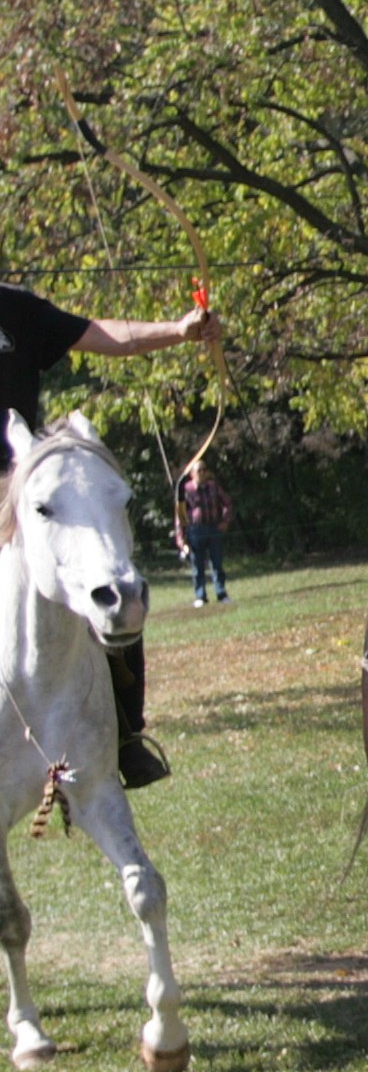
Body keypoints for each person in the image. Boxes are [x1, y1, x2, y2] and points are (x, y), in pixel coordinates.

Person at [0, 284, 217, 786]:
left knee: (111, 578)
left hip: (24, 491)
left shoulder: (16, 309)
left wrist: (178, 331)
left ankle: (123, 735)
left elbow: (102, 333)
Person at [174, 457, 233, 606]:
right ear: (192, 473)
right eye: (198, 470)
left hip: (214, 528)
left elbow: (227, 503)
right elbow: (180, 516)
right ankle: (200, 596)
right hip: (195, 531)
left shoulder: (214, 487)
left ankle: (221, 594)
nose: (202, 473)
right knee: (197, 566)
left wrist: (225, 521)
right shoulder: (185, 490)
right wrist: (181, 539)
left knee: (217, 564)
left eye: (204, 470)